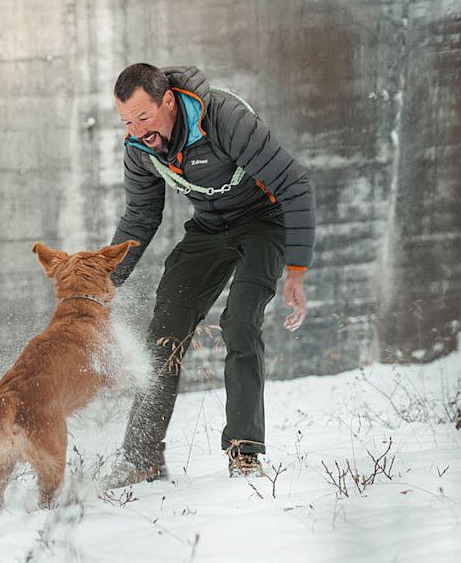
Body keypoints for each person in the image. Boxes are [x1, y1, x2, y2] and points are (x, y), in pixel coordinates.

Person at [106, 63, 314, 481]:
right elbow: (141, 218)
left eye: (143, 117)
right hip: (209, 228)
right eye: (127, 122)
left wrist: (296, 269)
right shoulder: (140, 149)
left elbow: (294, 184)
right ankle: (141, 459)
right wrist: (106, 280)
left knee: (240, 322)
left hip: (263, 222)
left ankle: (244, 453)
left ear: (168, 101)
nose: (137, 130)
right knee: (165, 328)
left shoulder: (222, 118)